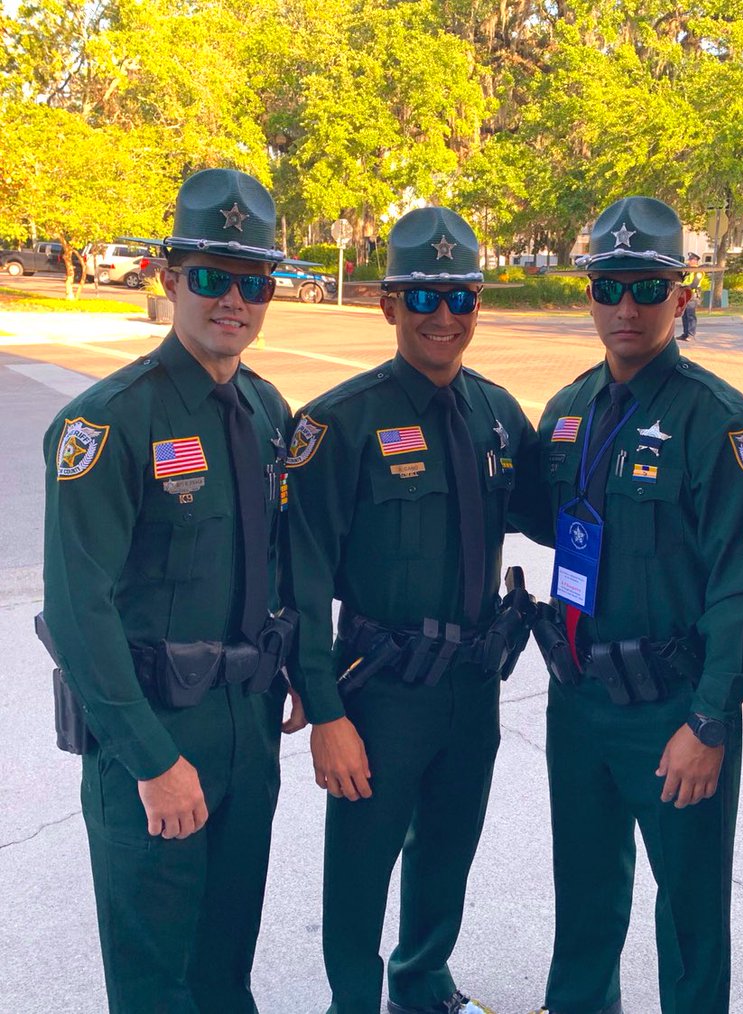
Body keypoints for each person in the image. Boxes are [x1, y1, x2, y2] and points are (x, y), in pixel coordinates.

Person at [40, 167, 305, 1013]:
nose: (234, 300)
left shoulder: (269, 413)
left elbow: (277, 565)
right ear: (168, 277)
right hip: (154, 737)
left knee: (227, 968)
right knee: (158, 982)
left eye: (253, 282)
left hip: (246, 733)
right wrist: (153, 762)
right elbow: (79, 616)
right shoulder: (108, 424)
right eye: (211, 278)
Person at [285, 206, 544, 1014]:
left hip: (473, 686)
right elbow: (300, 574)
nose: (442, 317)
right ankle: (354, 1002)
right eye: (422, 299)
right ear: (387, 303)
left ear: (478, 305)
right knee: (361, 865)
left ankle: (423, 985)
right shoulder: (339, 422)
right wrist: (324, 710)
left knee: (447, 851)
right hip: (381, 689)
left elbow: (569, 516)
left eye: (458, 298)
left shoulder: (500, 413)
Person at [529, 196, 743, 1014]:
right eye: (608, 287)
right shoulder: (567, 413)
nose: (626, 308)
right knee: (586, 896)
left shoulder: (720, 424)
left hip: (676, 707)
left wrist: (710, 722)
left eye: (647, 287)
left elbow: (742, 588)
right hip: (581, 701)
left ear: (683, 290)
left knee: (691, 914)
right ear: (588, 293)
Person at [679, 251, 703, 340]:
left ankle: (691, 334)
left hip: (692, 295)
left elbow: (694, 284)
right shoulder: (689, 272)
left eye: (690, 260)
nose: (688, 261)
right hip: (685, 294)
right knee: (684, 314)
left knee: (690, 315)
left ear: (695, 261)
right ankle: (685, 333)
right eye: (689, 259)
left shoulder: (698, 272)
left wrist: (683, 286)